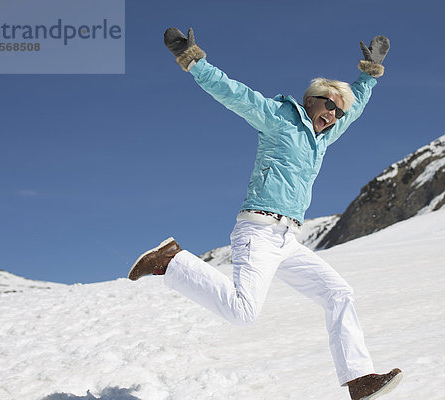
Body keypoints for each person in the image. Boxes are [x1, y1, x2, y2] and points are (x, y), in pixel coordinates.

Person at [128, 27, 402, 400]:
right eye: (331, 107)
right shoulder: (278, 117)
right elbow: (232, 92)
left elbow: (354, 114)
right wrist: (194, 60)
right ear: (312, 100)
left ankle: (358, 379)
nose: (335, 116)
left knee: (339, 293)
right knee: (243, 312)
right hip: (257, 229)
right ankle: (172, 260)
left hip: (286, 239)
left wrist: (368, 74)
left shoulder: (322, 139)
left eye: (339, 113)